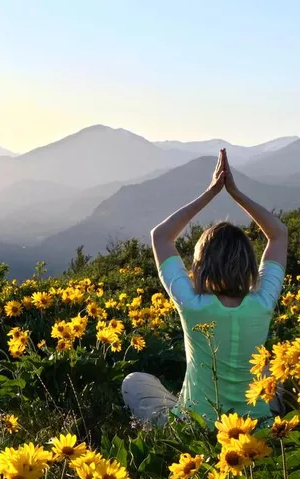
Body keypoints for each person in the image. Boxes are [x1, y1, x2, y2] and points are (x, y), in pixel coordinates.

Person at [122, 148, 288, 425]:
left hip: (197, 426)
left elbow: (160, 236)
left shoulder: (192, 304)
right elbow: (278, 234)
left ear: (200, 266)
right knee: (277, 370)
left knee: (135, 382)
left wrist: (211, 192)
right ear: (248, 264)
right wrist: (236, 194)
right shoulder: (262, 302)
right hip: (257, 428)